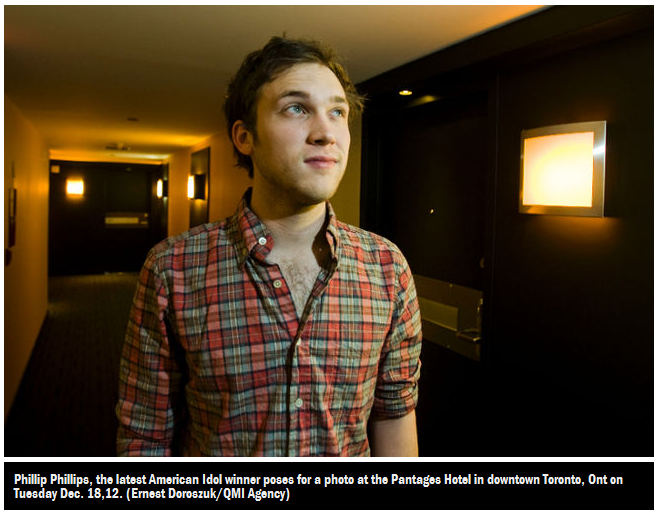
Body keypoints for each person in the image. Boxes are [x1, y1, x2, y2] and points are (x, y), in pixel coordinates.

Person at [116, 36, 422, 457]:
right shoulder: (174, 268)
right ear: (245, 136)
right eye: (296, 108)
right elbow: (145, 435)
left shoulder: (387, 267)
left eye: (337, 112)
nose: (326, 133)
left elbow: (394, 415)